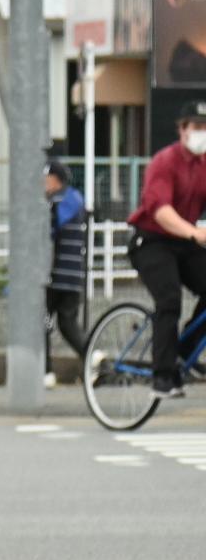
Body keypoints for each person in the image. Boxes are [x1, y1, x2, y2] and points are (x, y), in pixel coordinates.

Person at [124, 100, 206, 398]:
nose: (202, 133)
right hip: (152, 241)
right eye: (196, 127)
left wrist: (193, 235)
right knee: (169, 298)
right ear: (182, 130)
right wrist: (194, 232)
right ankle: (162, 375)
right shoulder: (164, 161)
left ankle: (184, 349)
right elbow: (160, 210)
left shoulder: (204, 164)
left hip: (185, 242)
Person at [43, 160, 89, 381]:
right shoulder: (76, 200)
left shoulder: (56, 202)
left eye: (46, 178)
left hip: (55, 275)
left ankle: (45, 372)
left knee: (40, 321)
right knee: (68, 323)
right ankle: (94, 358)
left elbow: (48, 236)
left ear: (54, 180)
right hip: (74, 274)